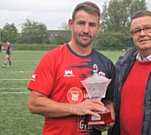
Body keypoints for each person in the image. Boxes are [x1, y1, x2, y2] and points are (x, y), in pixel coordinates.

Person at [27, 1, 115, 135]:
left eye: (92, 25)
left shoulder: (106, 64)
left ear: (98, 27)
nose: (86, 30)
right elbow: (34, 104)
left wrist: (108, 121)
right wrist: (76, 108)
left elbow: (108, 103)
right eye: (81, 23)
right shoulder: (52, 58)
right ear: (71, 24)